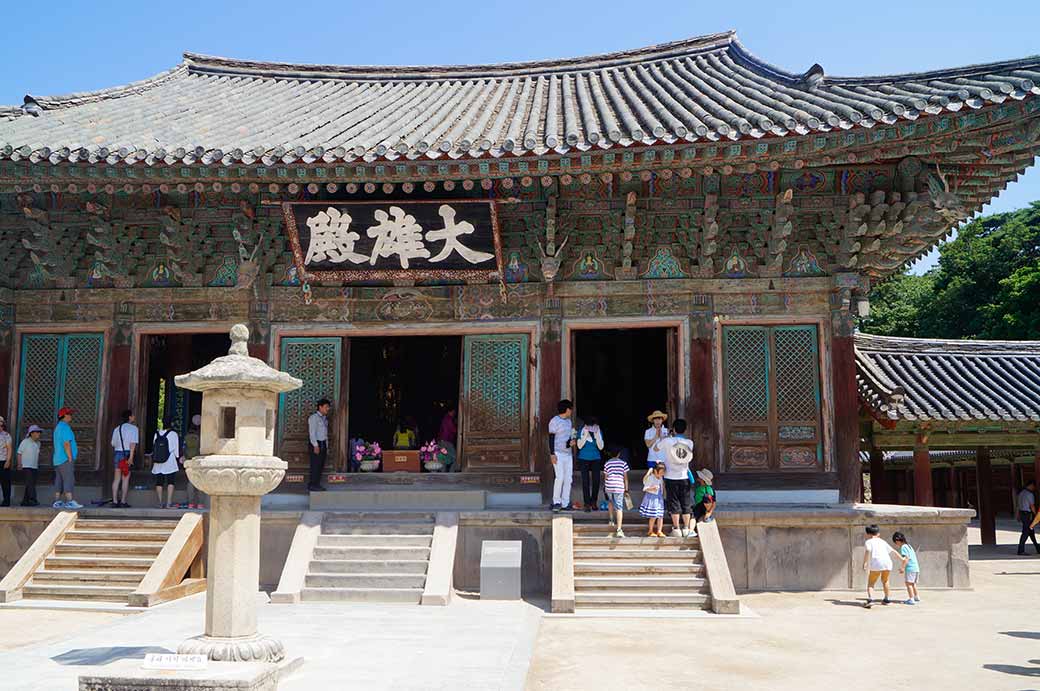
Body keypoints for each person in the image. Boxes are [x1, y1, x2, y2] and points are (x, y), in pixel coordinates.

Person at [662, 418, 695, 538]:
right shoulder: (690, 443)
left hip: (670, 476)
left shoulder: (667, 441)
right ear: (685, 430)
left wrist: (669, 436)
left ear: (674, 429)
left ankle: (676, 529)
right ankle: (686, 528)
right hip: (684, 476)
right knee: (686, 502)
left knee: (673, 502)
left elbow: (656, 448)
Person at [52, 407, 82, 509]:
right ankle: (69, 501)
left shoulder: (58, 427)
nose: (71, 416)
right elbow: (66, 443)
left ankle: (57, 501)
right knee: (68, 478)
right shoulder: (65, 427)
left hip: (57, 459)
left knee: (59, 479)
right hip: (65, 458)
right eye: (69, 414)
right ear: (64, 416)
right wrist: (70, 457)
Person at [548, 399, 575, 512]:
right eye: (571, 409)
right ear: (567, 409)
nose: (572, 411)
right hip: (558, 453)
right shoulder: (554, 421)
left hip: (568, 454)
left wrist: (571, 443)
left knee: (568, 478)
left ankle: (565, 502)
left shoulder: (569, 422)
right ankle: (556, 502)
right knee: (560, 477)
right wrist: (552, 454)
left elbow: (567, 439)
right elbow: (551, 438)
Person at [862, 524, 898, 608]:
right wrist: (902, 559)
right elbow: (893, 551)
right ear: (878, 533)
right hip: (887, 562)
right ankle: (886, 599)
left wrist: (865, 562)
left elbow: (867, 550)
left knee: (871, 583)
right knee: (885, 581)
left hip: (876, 562)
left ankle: (871, 599)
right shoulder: (882, 541)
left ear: (868, 534)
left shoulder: (868, 542)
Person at [110, 409, 139, 508]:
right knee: (125, 478)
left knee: (116, 478)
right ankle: (123, 501)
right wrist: (131, 457)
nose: (134, 417)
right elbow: (133, 444)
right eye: (133, 415)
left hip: (118, 453)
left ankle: (114, 501)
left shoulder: (117, 429)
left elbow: (113, 443)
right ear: (129, 417)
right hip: (127, 454)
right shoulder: (134, 429)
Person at [576, 416, 605, 512]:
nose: (593, 427)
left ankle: (594, 502)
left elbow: (601, 447)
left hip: (596, 458)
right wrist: (585, 434)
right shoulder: (582, 430)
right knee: (585, 481)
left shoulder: (598, 430)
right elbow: (579, 446)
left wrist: (597, 435)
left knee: (596, 481)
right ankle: (587, 503)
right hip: (583, 458)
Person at [151, 418, 180, 508]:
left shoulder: (156, 434)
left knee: (159, 482)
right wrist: (178, 457)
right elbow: (176, 450)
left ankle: (160, 503)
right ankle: (168, 503)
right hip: (170, 460)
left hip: (158, 460)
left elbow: (154, 446)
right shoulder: (174, 434)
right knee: (170, 481)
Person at [602, 446, 629, 537]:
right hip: (619, 486)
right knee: (619, 507)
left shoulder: (607, 463)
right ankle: (619, 529)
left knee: (610, 502)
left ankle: (611, 520)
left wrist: (605, 485)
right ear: (619, 454)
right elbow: (625, 477)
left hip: (609, 485)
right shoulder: (623, 463)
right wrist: (626, 489)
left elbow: (605, 477)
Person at [308, 398, 331, 490]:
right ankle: (312, 485)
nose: (328, 409)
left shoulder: (325, 419)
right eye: (326, 407)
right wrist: (315, 445)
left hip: (323, 444)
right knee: (315, 465)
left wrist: (326, 446)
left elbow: (325, 434)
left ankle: (317, 484)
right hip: (316, 444)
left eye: (328, 407)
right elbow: (312, 433)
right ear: (320, 407)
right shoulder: (314, 418)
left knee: (320, 465)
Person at [892, 532, 921, 605]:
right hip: (916, 567)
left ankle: (911, 599)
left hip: (910, 568)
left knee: (908, 584)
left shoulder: (903, 547)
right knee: (913, 584)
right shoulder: (909, 546)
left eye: (896, 542)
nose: (896, 544)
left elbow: (906, 559)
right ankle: (916, 597)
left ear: (897, 540)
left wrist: (902, 568)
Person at [17, 425, 42, 506]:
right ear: (31, 433)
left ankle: (25, 501)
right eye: (37, 432)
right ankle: (33, 499)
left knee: (30, 483)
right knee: (30, 483)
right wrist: (19, 464)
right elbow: (19, 453)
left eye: (39, 432)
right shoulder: (25, 442)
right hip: (26, 466)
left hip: (34, 466)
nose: (38, 434)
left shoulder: (38, 443)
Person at [640, 462, 666, 537]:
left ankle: (659, 531)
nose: (662, 474)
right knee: (653, 515)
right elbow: (644, 488)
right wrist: (652, 488)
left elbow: (662, 486)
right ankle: (650, 531)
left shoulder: (660, 478)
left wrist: (663, 493)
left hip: (659, 498)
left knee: (660, 515)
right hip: (652, 498)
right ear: (655, 471)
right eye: (660, 473)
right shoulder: (651, 478)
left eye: (663, 473)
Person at [184, 414, 204, 509]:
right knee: (200, 480)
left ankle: (191, 503)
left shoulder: (188, 434)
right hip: (199, 458)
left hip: (189, 458)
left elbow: (184, 447)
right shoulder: (201, 433)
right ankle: (200, 503)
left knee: (190, 481)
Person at [1017, 481, 1040, 555]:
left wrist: (1018, 515)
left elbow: (1018, 505)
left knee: (1030, 532)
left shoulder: (1021, 493)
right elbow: (1032, 506)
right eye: (1034, 486)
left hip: (1022, 513)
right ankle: (1021, 550)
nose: (1034, 488)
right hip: (1028, 514)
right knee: (1026, 531)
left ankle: (1037, 548)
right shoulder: (1030, 494)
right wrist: (1036, 515)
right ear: (1031, 485)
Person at [0, 416, 12, 507]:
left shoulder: (6, 435)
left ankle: (6, 501)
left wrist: (8, 461)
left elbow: (9, 448)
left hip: (3, 461)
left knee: (5, 482)